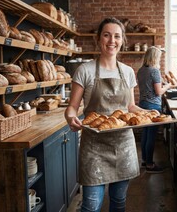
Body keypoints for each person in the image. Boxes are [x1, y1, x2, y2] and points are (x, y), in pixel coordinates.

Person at [65, 17, 144, 212]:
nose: (112, 41)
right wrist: (70, 117)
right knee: (90, 206)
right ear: (98, 39)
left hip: (123, 145)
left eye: (117, 36)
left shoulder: (127, 72)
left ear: (122, 40)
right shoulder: (85, 70)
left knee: (118, 203)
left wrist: (149, 113)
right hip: (94, 147)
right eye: (107, 35)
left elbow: (131, 107)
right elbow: (72, 107)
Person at [137, 46, 173, 173]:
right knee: (151, 135)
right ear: (155, 57)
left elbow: (148, 88)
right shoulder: (154, 71)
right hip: (153, 106)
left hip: (142, 105)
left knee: (145, 134)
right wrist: (168, 86)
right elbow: (158, 92)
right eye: (159, 57)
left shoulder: (141, 70)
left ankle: (144, 161)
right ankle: (150, 165)